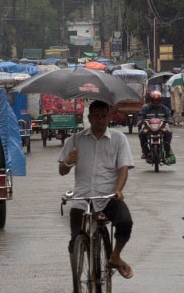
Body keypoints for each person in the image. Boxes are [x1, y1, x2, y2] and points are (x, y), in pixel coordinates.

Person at [58, 100, 135, 279]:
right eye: (96, 117)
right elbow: (62, 171)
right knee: (75, 240)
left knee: (125, 222)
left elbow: (124, 168)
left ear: (109, 117)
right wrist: (69, 160)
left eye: (104, 116)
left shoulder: (118, 139)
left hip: (108, 197)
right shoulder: (75, 140)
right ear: (89, 118)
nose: (100, 120)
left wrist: (118, 190)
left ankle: (115, 256)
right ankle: (76, 280)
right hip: (82, 198)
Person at [137, 90, 173, 159]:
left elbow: (169, 116)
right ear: (151, 100)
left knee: (168, 133)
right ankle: (144, 151)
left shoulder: (164, 108)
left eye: (157, 100)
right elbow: (140, 116)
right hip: (148, 127)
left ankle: (167, 150)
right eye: (154, 100)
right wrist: (139, 121)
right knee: (141, 133)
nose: (156, 102)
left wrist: (170, 120)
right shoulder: (145, 108)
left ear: (160, 100)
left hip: (161, 127)